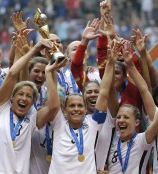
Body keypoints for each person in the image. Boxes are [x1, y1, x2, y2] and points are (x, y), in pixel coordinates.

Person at [0, 37, 59, 174]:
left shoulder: (32, 117)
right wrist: (33, 50)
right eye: (20, 94)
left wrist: (49, 73)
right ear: (12, 97)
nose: (24, 98)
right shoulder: (0, 107)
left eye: (29, 96)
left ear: (33, 102)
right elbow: (12, 74)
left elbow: (54, 107)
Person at [47, 23, 114, 173]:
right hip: (68, 125)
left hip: (93, 123)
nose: (76, 108)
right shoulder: (61, 77)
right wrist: (84, 41)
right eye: (74, 49)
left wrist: (111, 62)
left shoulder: (95, 76)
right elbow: (53, 100)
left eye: (82, 50)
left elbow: (104, 92)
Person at [106, 40, 158, 174]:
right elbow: (110, 90)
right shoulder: (110, 144)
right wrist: (113, 62)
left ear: (137, 122)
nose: (121, 120)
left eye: (126, 117)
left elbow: (145, 90)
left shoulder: (142, 140)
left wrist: (131, 64)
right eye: (119, 117)